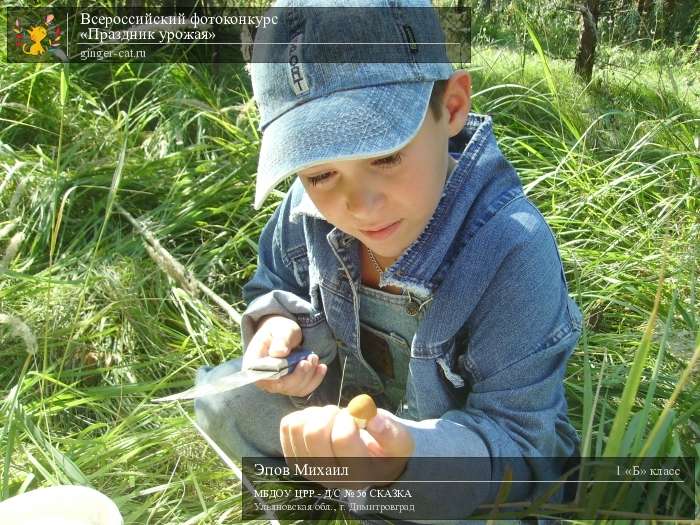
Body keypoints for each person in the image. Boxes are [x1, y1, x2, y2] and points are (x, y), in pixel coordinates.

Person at [194, 1, 582, 523]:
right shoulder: (304, 210)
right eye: (319, 173)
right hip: (351, 403)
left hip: (457, 451)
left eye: (385, 156)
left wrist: (404, 461)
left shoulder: (511, 251)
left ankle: (380, 496)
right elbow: (275, 279)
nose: (359, 205)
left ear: (452, 105)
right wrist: (277, 323)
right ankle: (321, 504)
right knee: (221, 401)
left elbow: (517, 441)